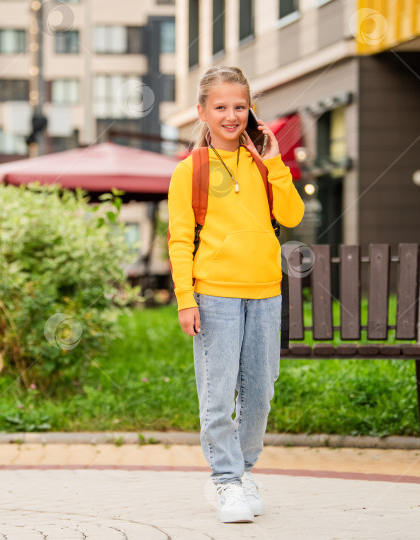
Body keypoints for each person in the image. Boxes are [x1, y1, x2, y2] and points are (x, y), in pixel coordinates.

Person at [167, 66, 304, 523]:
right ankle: (226, 482)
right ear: (202, 111)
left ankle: (243, 473)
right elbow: (180, 239)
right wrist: (186, 298)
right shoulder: (191, 171)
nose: (231, 116)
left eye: (239, 107)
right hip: (215, 298)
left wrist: (275, 162)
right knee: (217, 395)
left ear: (251, 111)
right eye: (220, 107)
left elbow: (292, 213)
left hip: (266, 292)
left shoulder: (266, 166)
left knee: (260, 393)